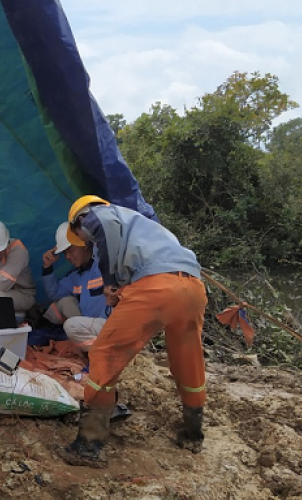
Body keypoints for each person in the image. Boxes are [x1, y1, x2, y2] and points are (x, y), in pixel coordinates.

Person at [58, 195, 207, 468]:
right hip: (192, 286)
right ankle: (193, 432)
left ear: (80, 219)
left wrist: (110, 281)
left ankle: (88, 445)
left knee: (104, 352)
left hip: (156, 288)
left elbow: (101, 230)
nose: (84, 239)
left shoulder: (96, 215)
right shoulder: (143, 224)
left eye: (79, 234)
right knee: (188, 359)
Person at [40, 222, 110, 352]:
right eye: (64, 253)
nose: (67, 257)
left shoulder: (104, 264)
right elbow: (54, 293)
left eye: (70, 250)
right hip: (88, 328)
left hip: (110, 326)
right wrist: (47, 267)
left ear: (83, 243)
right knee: (63, 303)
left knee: (70, 326)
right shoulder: (76, 276)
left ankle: (101, 355)